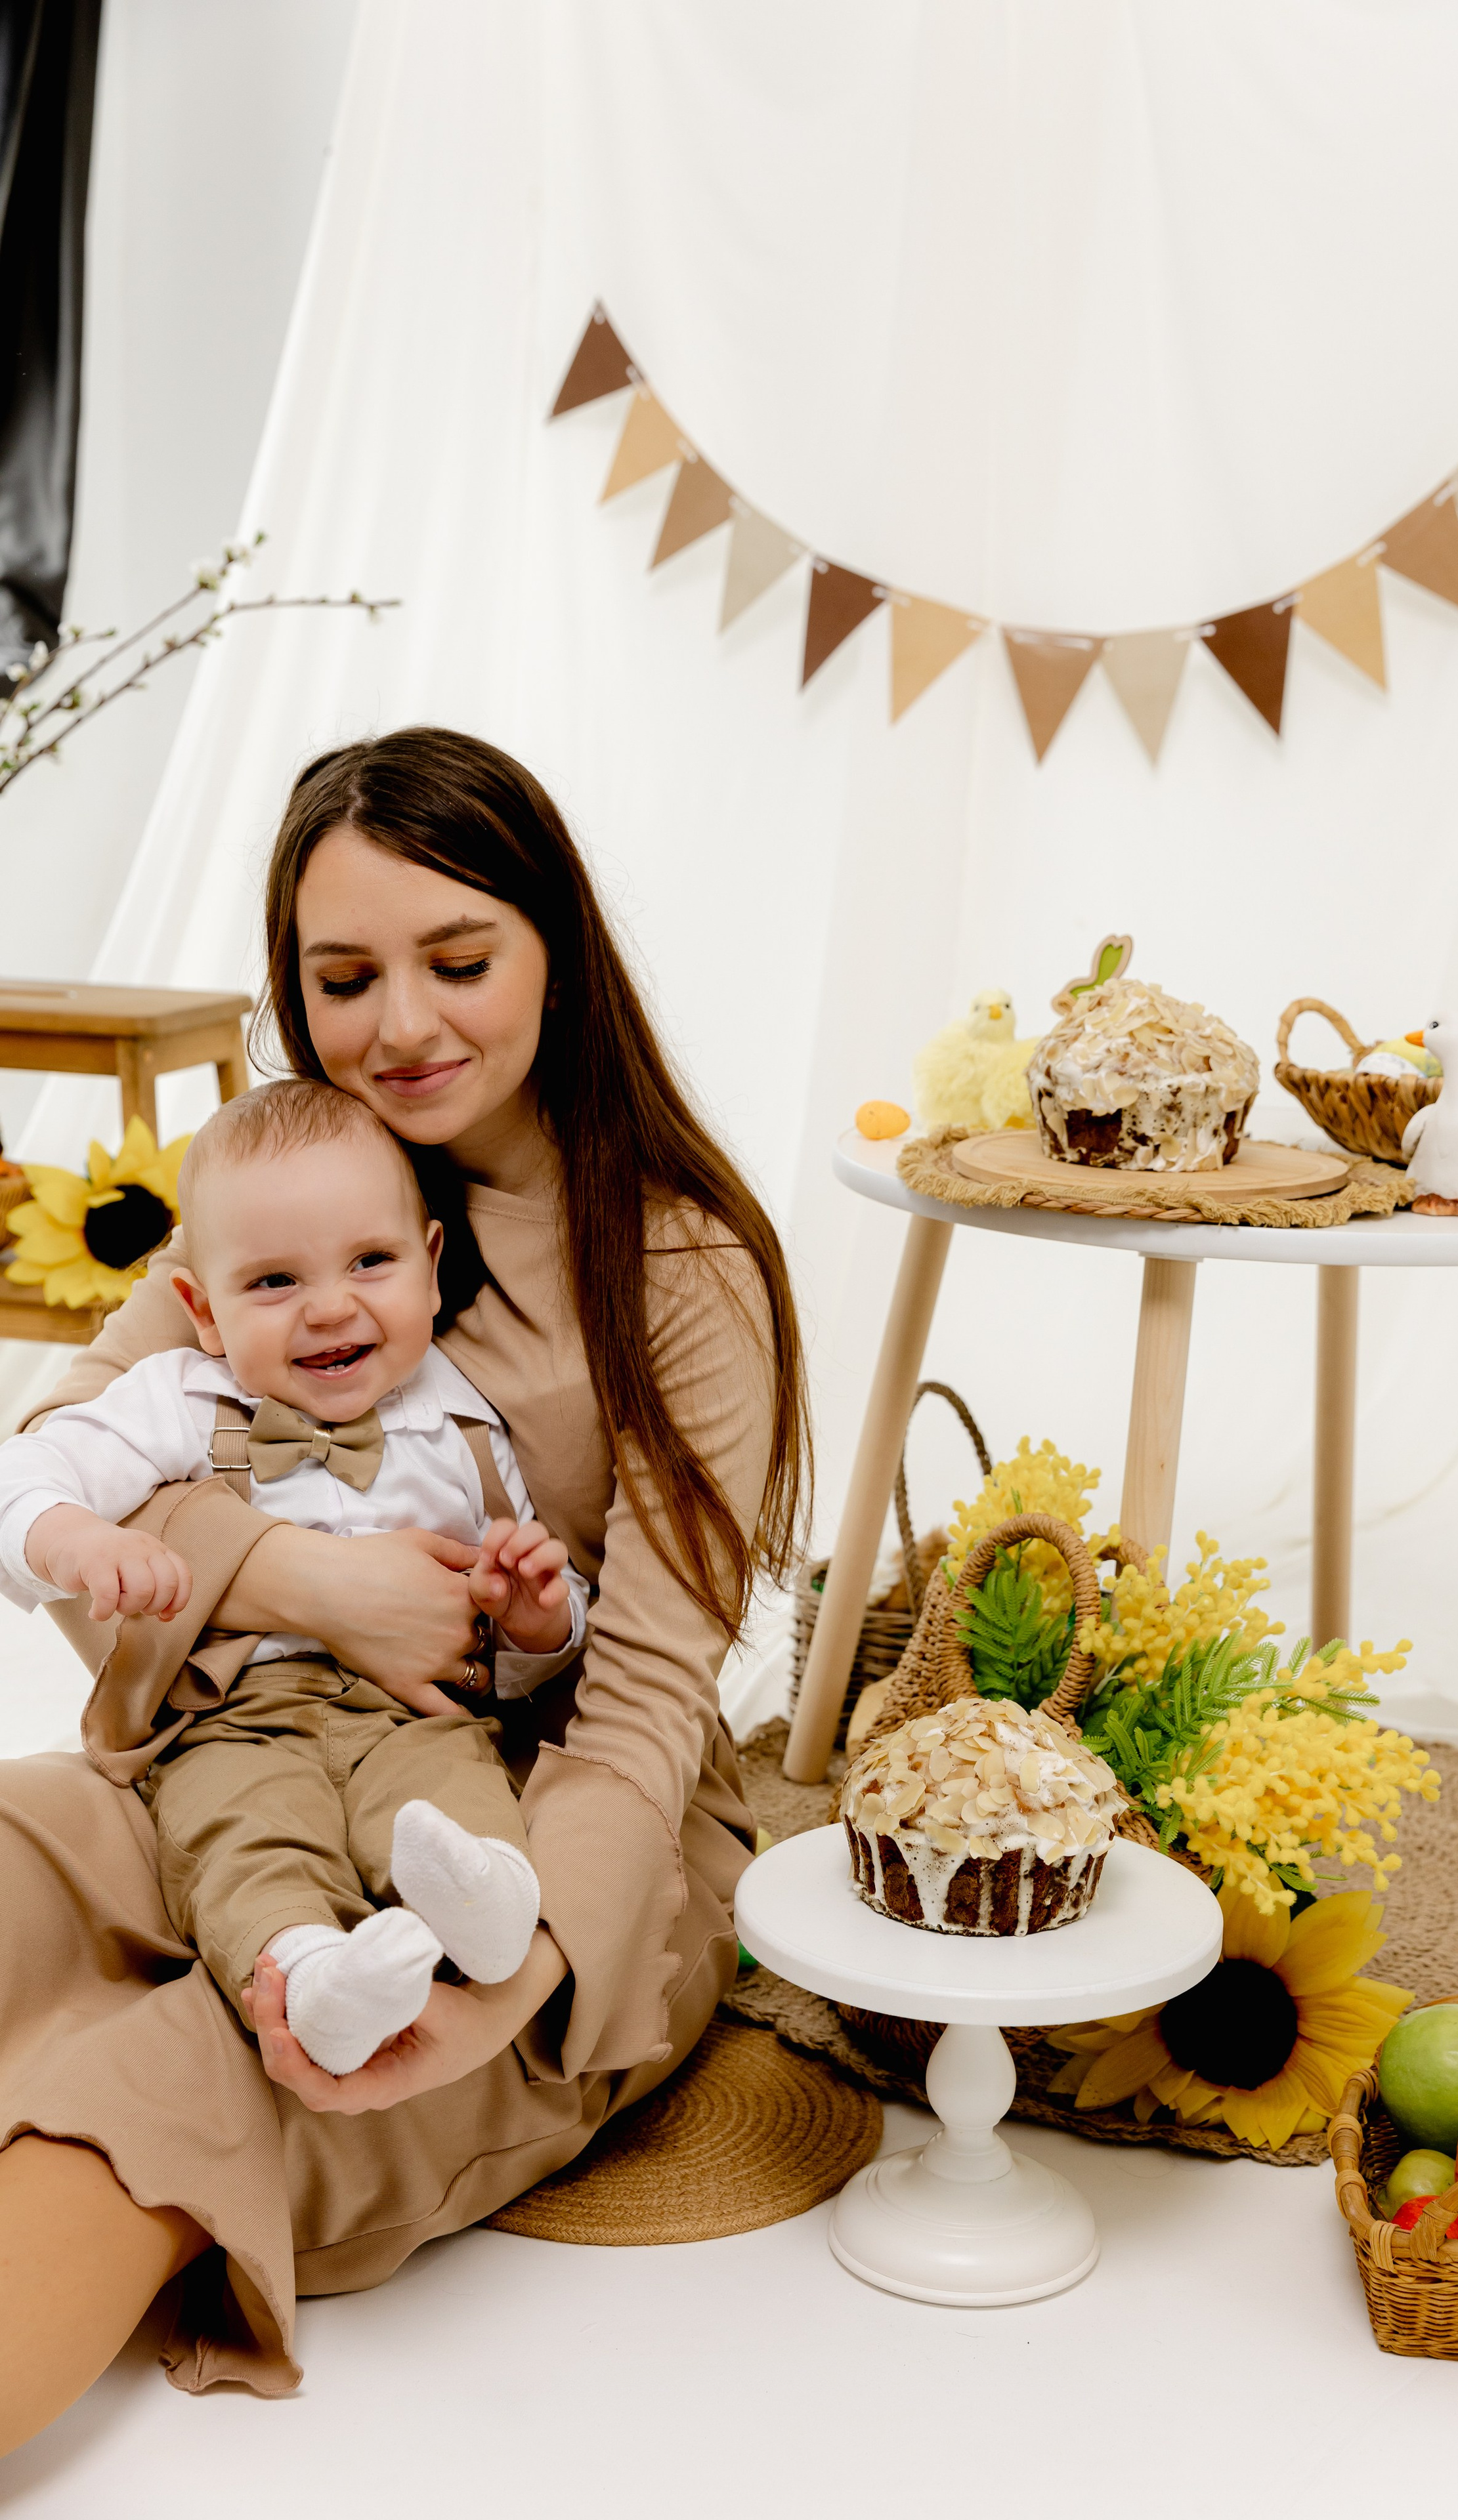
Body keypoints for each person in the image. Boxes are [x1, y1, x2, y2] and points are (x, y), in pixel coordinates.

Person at [0, 726, 808, 2457]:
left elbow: (650, 1709)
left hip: (550, 1823)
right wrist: (314, 1578)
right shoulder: (282, 1209)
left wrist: (502, 1981)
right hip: (242, 1750)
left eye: (460, 959)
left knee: (151, 2088)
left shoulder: (683, 1272)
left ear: (555, 950)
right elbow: (58, 1491)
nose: (405, 1026)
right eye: (345, 976)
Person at [0, 1077, 591, 2075]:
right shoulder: (182, 1398)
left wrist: (534, 1616)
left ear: (431, 1264)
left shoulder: (463, 1425)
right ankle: (311, 1973)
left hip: (421, 1714)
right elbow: (28, 1470)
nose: (329, 1307)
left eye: (372, 1260)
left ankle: (485, 1913)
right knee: (237, 1829)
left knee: (450, 1799)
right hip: (236, 1713)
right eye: (274, 1282)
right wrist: (80, 1542)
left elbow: (528, 1655)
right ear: (204, 1308)